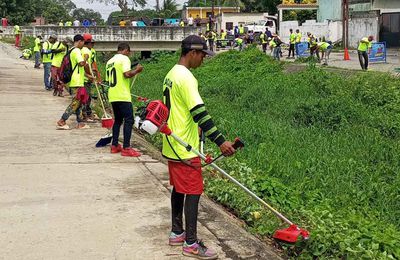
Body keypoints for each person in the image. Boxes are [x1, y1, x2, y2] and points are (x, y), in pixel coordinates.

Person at [163, 35, 236, 260]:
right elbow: (200, 113)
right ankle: (191, 243)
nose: (203, 59)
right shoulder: (186, 77)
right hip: (185, 148)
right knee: (193, 191)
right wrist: (221, 141)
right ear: (192, 53)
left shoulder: (171, 73)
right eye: (203, 55)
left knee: (178, 188)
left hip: (172, 143)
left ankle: (177, 232)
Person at [105, 43, 143, 156]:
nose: (129, 55)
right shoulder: (124, 58)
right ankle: (126, 147)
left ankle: (115, 145)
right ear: (126, 50)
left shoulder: (109, 62)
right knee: (129, 120)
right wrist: (137, 70)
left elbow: (109, 79)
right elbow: (126, 74)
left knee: (117, 120)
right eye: (129, 52)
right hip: (122, 95)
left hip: (112, 94)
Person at [56, 34, 90, 130]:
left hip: (76, 80)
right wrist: (86, 58)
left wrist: (88, 76)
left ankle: (80, 123)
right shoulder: (76, 51)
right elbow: (81, 63)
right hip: (77, 81)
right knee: (75, 103)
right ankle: (62, 120)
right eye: (83, 42)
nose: (83, 45)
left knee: (79, 103)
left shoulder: (71, 51)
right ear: (80, 41)